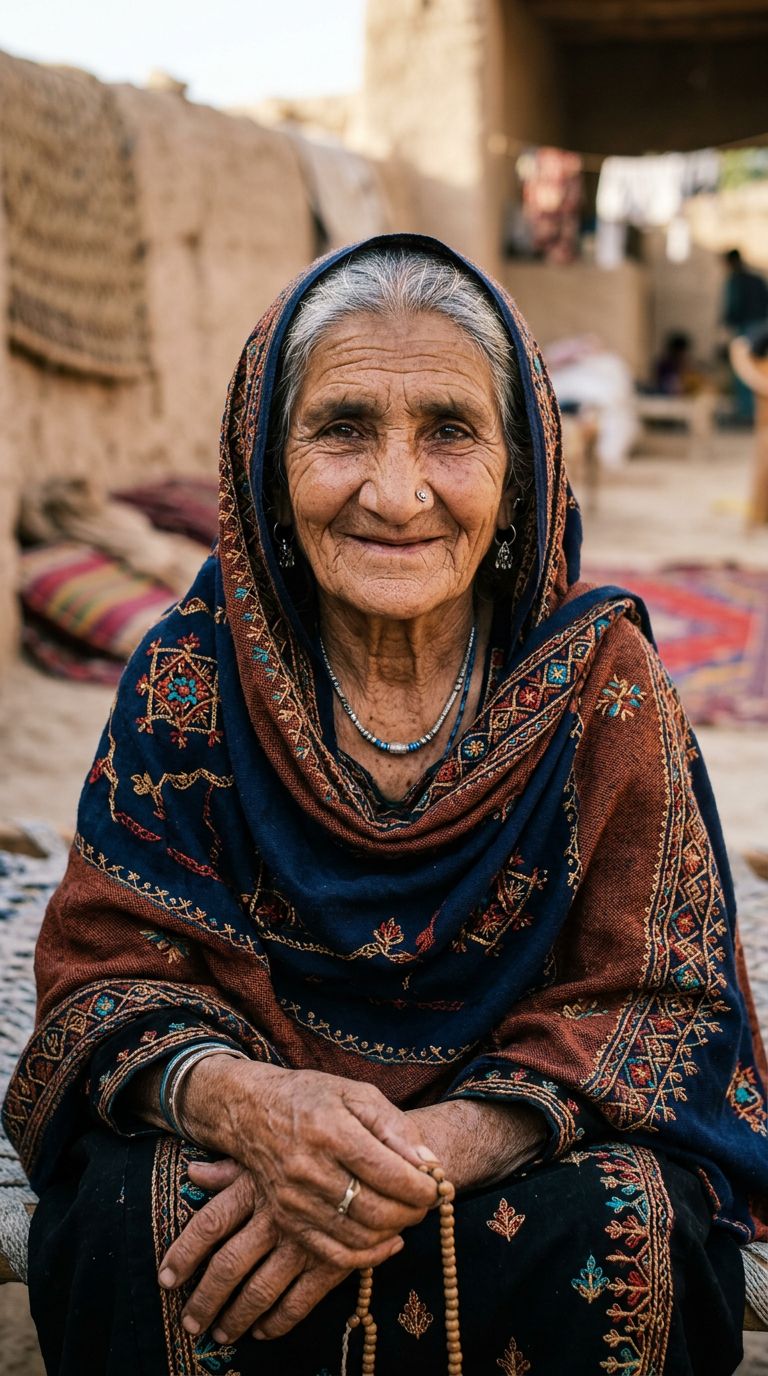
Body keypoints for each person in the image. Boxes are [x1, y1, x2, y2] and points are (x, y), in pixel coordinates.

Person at [4, 235, 767, 1376]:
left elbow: (663, 1006)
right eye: (343, 426)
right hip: (248, 1131)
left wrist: (417, 1150)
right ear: (268, 459)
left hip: (518, 1139)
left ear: (521, 472)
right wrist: (251, 1106)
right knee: (133, 1219)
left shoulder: (603, 685)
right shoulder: (191, 673)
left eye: (451, 431)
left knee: (635, 1227)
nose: (397, 490)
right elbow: (104, 969)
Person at [722, 249, 768, 422]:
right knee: (756, 370)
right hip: (761, 330)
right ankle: (753, 412)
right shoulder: (756, 279)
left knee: (745, 372)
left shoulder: (735, 281)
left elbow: (732, 308)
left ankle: (747, 412)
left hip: (747, 331)